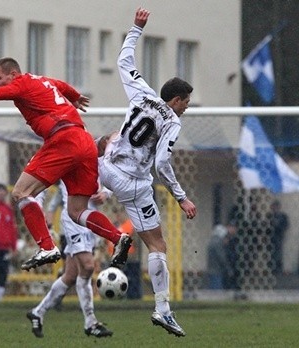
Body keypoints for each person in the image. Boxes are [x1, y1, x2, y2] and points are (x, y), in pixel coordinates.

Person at [0, 58, 132, 272]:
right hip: (84, 140)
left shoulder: (20, 85)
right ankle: (118, 238)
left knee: (20, 192)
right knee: (77, 211)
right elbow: (61, 85)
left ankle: (47, 247)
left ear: (13, 73)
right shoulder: (41, 80)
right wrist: (75, 97)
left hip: (63, 139)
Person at [98, 8, 197, 337]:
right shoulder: (171, 120)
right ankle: (163, 309)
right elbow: (162, 164)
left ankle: (105, 220)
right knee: (157, 246)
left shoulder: (141, 93)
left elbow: (124, 62)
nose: (186, 108)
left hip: (106, 167)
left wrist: (136, 28)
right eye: (185, 102)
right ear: (177, 99)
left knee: (89, 159)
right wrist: (181, 197)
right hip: (134, 184)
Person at [27, 178, 113, 338]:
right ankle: (90, 322)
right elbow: (44, 180)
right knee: (88, 267)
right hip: (73, 221)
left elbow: (111, 178)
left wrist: (106, 193)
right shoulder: (70, 156)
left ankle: (37, 312)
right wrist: (39, 207)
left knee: (70, 275)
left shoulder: (101, 157)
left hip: (90, 220)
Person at [207, 224, 232, 290]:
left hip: (212, 269)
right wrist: (228, 268)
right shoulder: (217, 243)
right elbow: (222, 257)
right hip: (216, 270)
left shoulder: (212, 241)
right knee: (216, 291)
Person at [268, 200, 289, 275]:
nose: (274, 208)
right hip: (271, 237)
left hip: (279, 236)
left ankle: (278, 269)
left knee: (278, 253)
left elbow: (286, 225)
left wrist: (278, 226)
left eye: (276, 206)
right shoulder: (269, 216)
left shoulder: (283, 216)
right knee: (271, 253)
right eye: (273, 207)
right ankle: (272, 269)